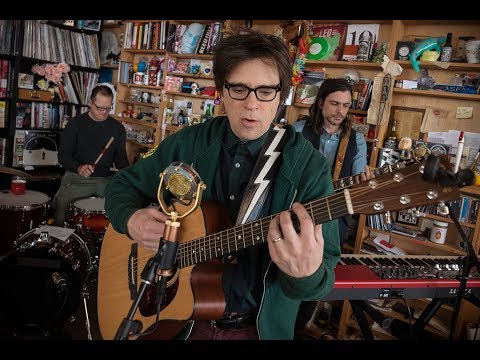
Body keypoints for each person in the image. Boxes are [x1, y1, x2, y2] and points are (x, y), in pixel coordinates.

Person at [104, 30, 341, 340]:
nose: (252, 105)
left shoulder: (309, 167)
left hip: (256, 329)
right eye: (239, 89)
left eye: (266, 91)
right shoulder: (188, 144)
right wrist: (131, 219)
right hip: (177, 321)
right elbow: (121, 186)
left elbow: (324, 274)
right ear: (221, 91)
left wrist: (305, 274)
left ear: (282, 94)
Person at [294, 78, 372, 246]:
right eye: (335, 103)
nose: (340, 111)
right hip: (295, 213)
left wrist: (363, 184)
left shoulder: (357, 141)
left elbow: (358, 182)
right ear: (321, 103)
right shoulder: (297, 131)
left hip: (334, 219)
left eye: (345, 105)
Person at [53, 85, 129, 227]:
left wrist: (130, 176)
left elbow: (121, 162)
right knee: (63, 209)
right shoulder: (75, 124)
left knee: (120, 209)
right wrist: (78, 167)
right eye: (100, 107)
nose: (104, 112)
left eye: (108, 108)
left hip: (104, 181)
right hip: (77, 179)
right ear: (90, 103)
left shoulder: (117, 128)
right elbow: (63, 156)